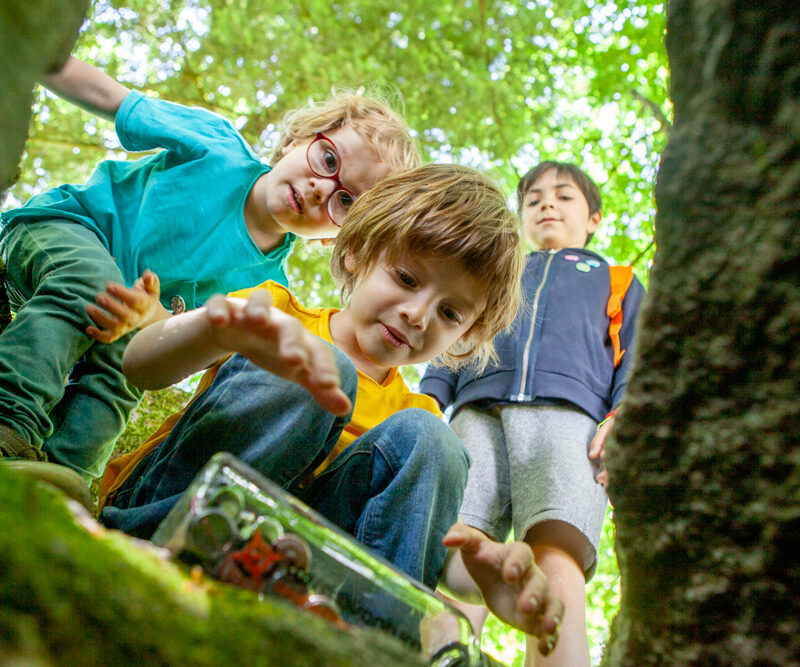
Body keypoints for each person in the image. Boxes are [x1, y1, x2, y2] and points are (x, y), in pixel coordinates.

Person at [96, 164, 563, 653]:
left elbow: (438, 543)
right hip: (177, 516)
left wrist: (483, 579)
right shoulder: (273, 313)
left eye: (450, 313)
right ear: (359, 251)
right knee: (323, 368)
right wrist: (216, 330)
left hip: (296, 587)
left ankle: (370, 648)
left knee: (434, 439)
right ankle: (163, 549)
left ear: (464, 335)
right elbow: (140, 365)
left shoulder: (415, 420)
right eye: (406, 278)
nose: (418, 314)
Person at [0, 55, 419, 483]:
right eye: (328, 160)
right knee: (89, 285)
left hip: (113, 324)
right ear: (297, 139)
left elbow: (174, 347)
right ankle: (8, 424)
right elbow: (111, 97)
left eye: (346, 201)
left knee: (122, 369)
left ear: (338, 236)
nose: (320, 188)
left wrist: (150, 318)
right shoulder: (216, 147)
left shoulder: (267, 294)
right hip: (62, 231)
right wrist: (30, 50)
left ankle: (60, 478)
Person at [421, 161, 646, 665]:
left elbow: (639, 351)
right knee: (457, 545)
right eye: (534, 198)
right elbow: (454, 334)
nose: (547, 204)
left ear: (594, 218)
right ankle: (439, 656)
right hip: (475, 409)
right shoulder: (496, 271)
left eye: (564, 196)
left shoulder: (617, 280)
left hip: (571, 419)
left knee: (556, 552)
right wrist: (429, 398)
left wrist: (624, 413)